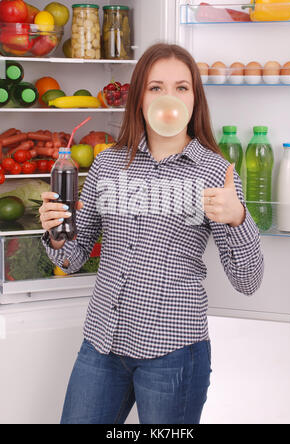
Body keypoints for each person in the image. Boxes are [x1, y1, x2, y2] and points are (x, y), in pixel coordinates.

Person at [39, 43, 264, 424]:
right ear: (140, 97)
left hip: (174, 355)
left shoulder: (215, 173)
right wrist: (57, 233)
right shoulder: (108, 163)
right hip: (102, 343)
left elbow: (248, 281)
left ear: (194, 99)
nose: (168, 98)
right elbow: (72, 259)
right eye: (156, 87)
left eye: (181, 87)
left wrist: (238, 218)